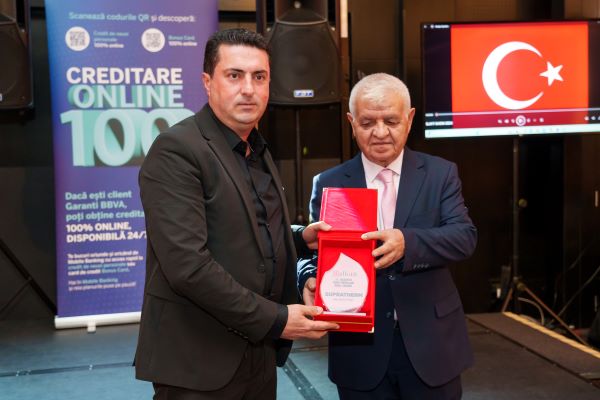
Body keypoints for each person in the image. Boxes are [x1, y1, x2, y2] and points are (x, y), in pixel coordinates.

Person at [134, 28, 338, 399]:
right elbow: (188, 267)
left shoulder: (256, 149)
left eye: (259, 77)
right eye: (234, 75)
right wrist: (278, 319)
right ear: (207, 82)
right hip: (198, 360)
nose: (248, 89)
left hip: (258, 355)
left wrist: (298, 237)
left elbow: (243, 229)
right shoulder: (177, 150)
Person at [298, 73, 477, 399]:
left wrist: (408, 243)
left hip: (431, 343)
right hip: (358, 349)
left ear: (409, 119)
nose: (380, 132)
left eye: (391, 121)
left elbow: (464, 236)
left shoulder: (440, 173)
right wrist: (308, 278)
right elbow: (313, 252)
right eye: (367, 123)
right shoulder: (329, 182)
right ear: (351, 123)